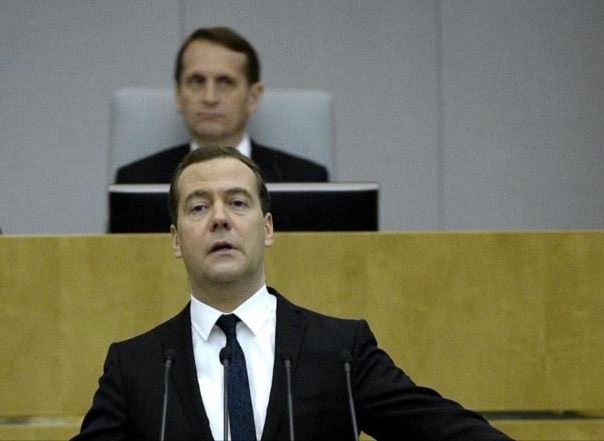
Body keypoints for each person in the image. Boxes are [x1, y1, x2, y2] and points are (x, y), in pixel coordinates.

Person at [75, 146, 511, 441]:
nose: (220, 219)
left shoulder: (340, 350)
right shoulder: (135, 367)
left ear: (267, 229)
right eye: (199, 207)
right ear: (175, 239)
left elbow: (443, 430)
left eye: (238, 203)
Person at [114, 26, 329, 184]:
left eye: (225, 82)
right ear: (178, 95)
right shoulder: (136, 180)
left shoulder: (306, 179)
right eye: (197, 81)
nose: (210, 98)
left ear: (253, 98)